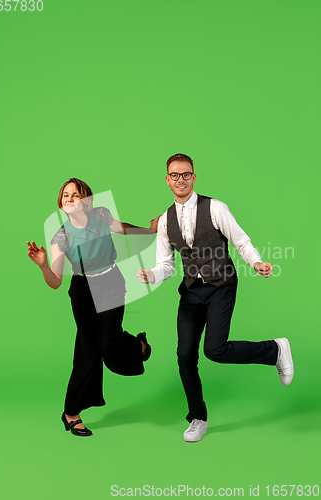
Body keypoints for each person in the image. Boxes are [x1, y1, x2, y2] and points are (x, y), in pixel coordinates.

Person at [137, 153, 294, 443]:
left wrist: (256, 263)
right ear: (167, 180)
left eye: (186, 174)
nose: (180, 180)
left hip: (222, 284)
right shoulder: (163, 222)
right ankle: (198, 417)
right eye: (174, 175)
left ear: (194, 177)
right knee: (184, 356)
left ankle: (275, 351)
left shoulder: (215, 208)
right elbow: (166, 265)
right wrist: (152, 276)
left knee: (215, 350)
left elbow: (241, 241)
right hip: (191, 292)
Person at [27, 178, 160, 437]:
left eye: (75, 195)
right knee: (88, 353)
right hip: (82, 291)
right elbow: (55, 281)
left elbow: (121, 229)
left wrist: (149, 230)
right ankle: (71, 414)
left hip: (110, 281)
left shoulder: (101, 215)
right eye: (65, 195)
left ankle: (138, 346)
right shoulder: (60, 237)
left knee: (109, 341)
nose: (69, 198)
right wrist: (43, 265)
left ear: (86, 201)